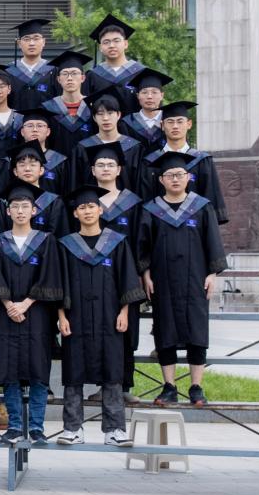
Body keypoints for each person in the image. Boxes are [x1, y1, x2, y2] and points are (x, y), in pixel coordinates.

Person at [140, 150, 229, 407]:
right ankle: (169, 386)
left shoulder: (202, 207)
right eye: (170, 175)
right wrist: (146, 274)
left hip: (195, 280)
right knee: (165, 329)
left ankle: (196, 387)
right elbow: (143, 246)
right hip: (163, 280)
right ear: (161, 180)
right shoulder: (152, 210)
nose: (175, 179)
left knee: (196, 330)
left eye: (180, 174)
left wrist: (212, 273)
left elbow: (213, 241)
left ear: (188, 177)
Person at [56, 188, 145, 445]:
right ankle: (73, 429)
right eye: (82, 208)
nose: (87, 211)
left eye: (91, 207)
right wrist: (61, 316)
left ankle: (114, 430)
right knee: (73, 373)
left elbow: (126, 279)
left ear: (100, 210)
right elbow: (60, 283)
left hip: (110, 318)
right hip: (76, 318)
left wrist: (125, 312)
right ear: (75, 213)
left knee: (112, 372)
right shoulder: (66, 245)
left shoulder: (116, 243)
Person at [0, 183, 63, 446]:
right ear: (8, 211)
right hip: (6, 314)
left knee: (38, 370)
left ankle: (37, 427)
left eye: (25, 206)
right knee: (10, 369)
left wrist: (26, 303)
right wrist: (9, 304)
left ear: (34, 210)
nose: (20, 211)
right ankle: (15, 426)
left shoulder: (46, 241)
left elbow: (50, 275)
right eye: (15, 207)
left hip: (38, 314)